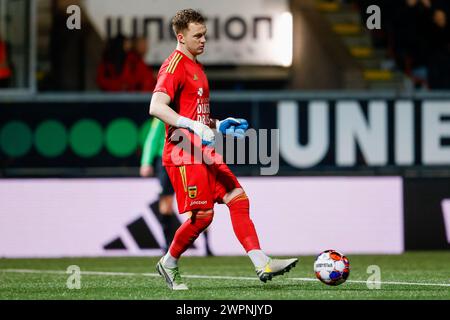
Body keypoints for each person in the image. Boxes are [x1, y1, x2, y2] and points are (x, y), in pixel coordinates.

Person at [148, 8, 298, 291]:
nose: (204, 40)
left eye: (205, 34)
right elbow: (156, 107)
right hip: (182, 152)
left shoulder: (196, 66)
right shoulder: (173, 66)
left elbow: (195, 113)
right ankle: (168, 263)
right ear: (181, 37)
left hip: (202, 149)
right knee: (203, 216)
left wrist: (217, 124)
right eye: (198, 36)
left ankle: (261, 261)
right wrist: (192, 127)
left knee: (237, 197)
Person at [140, 117, 214, 255]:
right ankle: (167, 245)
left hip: (189, 159)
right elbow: (153, 138)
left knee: (197, 202)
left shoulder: (191, 111)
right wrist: (146, 161)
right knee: (166, 202)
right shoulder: (163, 114)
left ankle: (207, 246)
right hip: (167, 162)